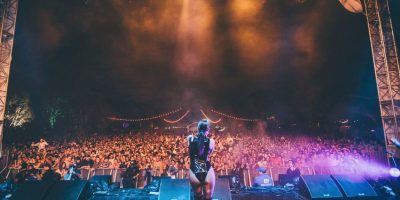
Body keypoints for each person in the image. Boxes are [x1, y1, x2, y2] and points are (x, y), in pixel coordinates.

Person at [187, 119, 216, 200]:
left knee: (197, 197)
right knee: (208, 198)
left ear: (198, 128)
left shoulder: (189, 139)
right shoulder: (211, 141)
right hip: (206, 168)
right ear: (208, 129)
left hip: (194, 169)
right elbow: (209, 153)